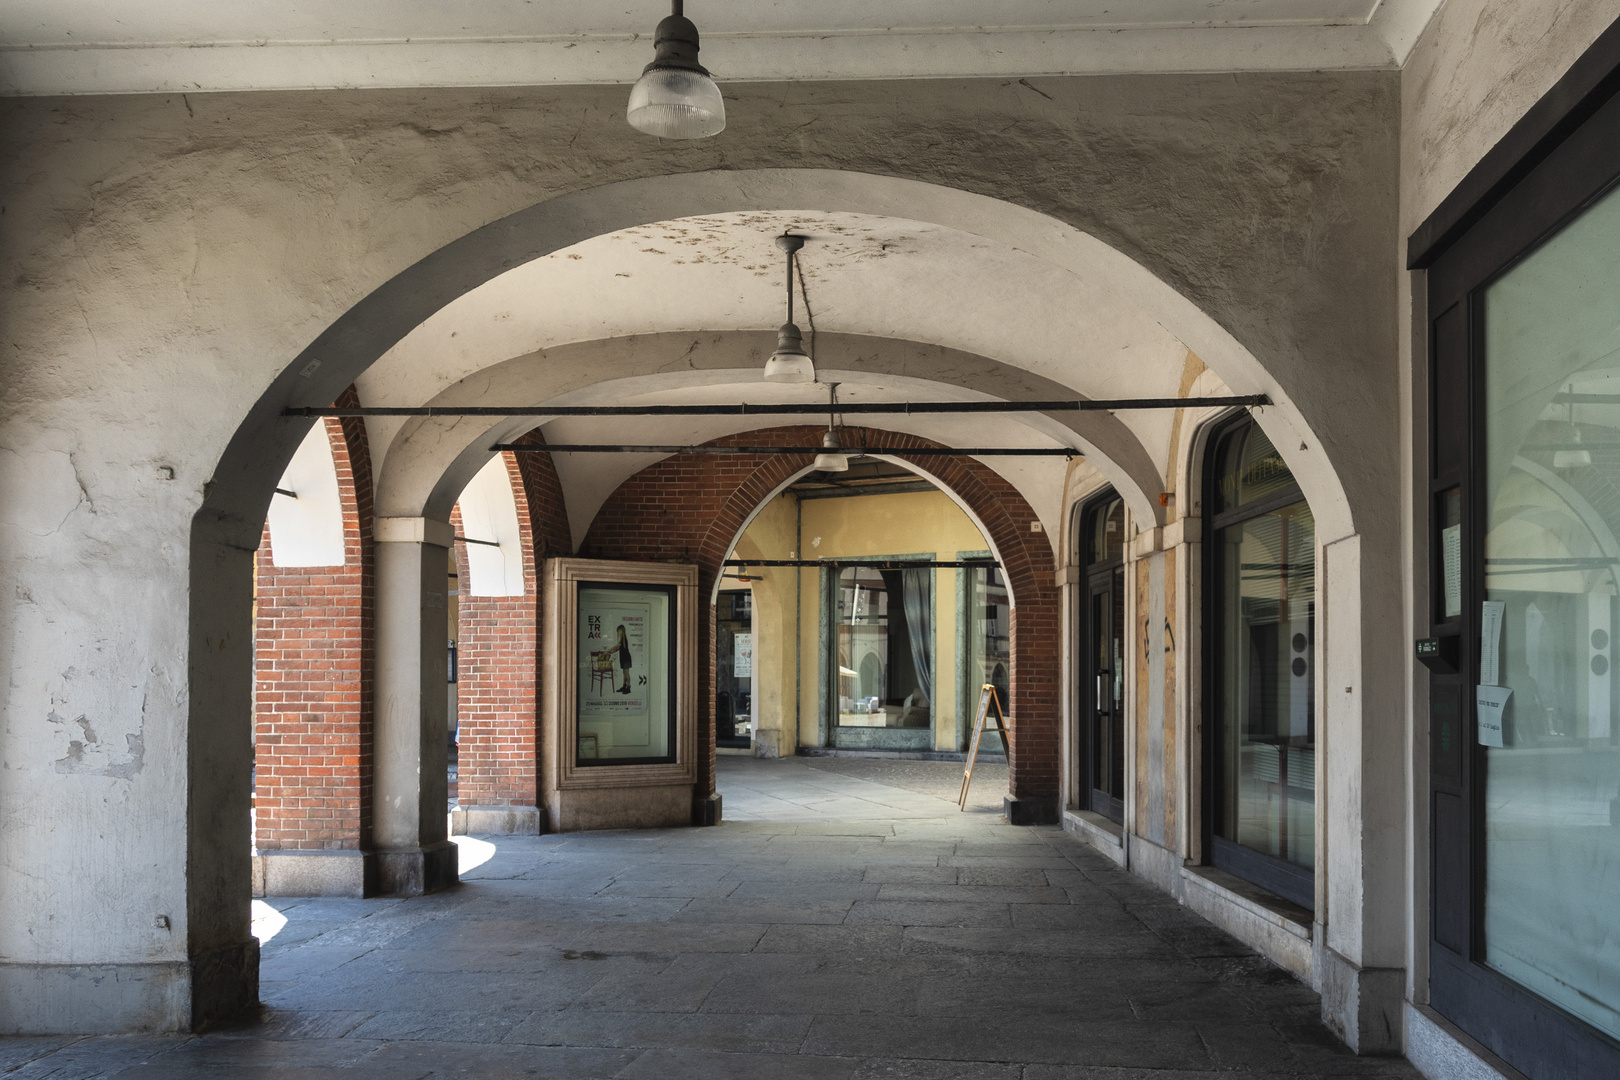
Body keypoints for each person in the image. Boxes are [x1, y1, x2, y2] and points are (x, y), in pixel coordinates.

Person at [616, 624, 633, 694]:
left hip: (626, 659)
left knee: (626, 674)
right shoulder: (622, 641)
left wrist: (607, 651)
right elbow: (617, 648)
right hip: (623, 659)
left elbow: (616, 647)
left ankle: (628, 687)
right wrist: (608, 652)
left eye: (618, 632)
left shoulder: (623, 640)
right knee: (624, 673)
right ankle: (624, 686)